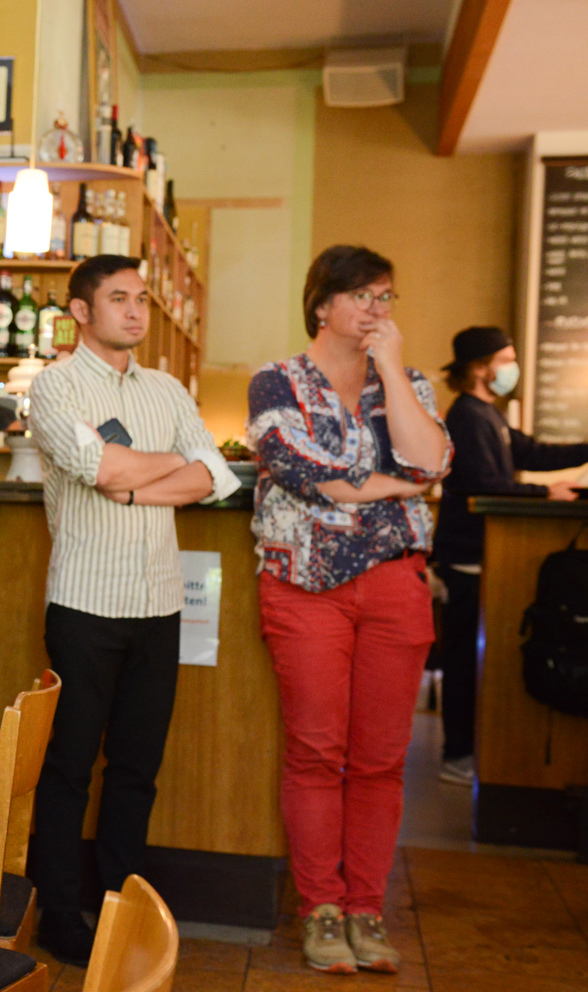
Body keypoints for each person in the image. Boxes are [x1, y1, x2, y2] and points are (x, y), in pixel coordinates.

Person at [26, 254, 240, 966]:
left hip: (158, 601)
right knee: (68, 765)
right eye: (119, 298)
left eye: (142, 299)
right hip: (84, 602)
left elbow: (214, 474)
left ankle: (121, 905)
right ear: (80, 311)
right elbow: (99, 467)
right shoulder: (57, 385)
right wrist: (165, 463)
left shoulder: (168, 388)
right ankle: (59, 913)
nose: (136, 311)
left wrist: (132, 483)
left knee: (137, 767)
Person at [248, 245, 452, 975]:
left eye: (385, 296)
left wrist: (391, 370)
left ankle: (366, 907)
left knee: (381, 759)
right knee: (315, 751)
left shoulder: (409, 382)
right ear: (322, 304)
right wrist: (395, 486)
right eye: (362, 295)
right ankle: (322, 910)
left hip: (396, 584)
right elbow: (305, 470)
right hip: (306, 584)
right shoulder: (276, 380)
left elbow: (431, 462)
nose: (375, 309)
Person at [433, 326, 588, 786]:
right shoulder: (467, 416)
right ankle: (457, 755)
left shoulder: (489, 415)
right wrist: (545, 493)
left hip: (482, 556)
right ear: (480, 367)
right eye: (507, 359)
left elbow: (532, 452)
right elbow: (483, 483)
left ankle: (469, 751)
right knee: (463, 661)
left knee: (472, 658)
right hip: (467, 557)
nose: (512, 369)